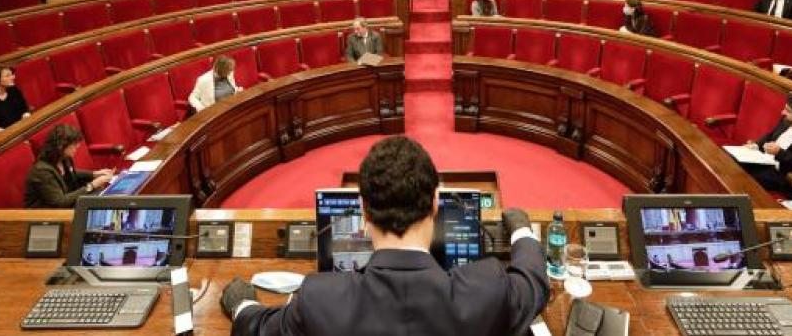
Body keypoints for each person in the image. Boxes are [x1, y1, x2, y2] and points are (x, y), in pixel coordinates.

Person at [220, 136, 548, 336]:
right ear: (435, 202)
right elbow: (533, 283)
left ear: (363, 210)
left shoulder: (319, 299)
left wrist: (242, 303)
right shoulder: (487, 288)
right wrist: (521, 230)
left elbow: (258, 329)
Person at [23, 124, 114, 208]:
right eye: (74, 144)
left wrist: (95, 174)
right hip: (47, 214)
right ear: (61, 146)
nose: (77, 146)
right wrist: (92, 185)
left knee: (108, 196)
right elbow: (60, 202)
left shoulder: (63, 158)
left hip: (67, 203)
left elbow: (70, 173)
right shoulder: (41, 172)